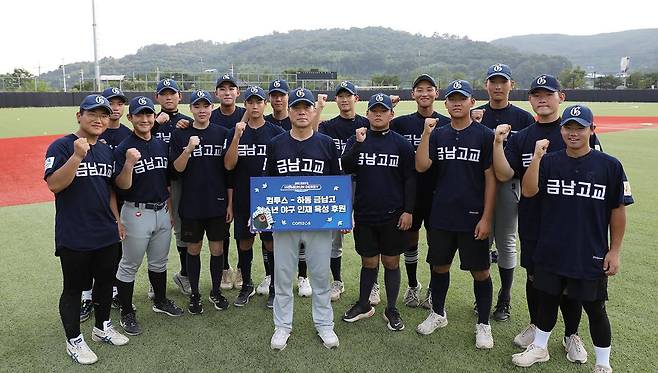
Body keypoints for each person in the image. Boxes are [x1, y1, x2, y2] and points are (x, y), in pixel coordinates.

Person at [512, 105, 633, 373]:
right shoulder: (550, 161)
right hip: (552, 245)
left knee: (595, 307)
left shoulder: (610, 166)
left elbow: (618, 210)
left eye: (580, 127)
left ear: (592, 129)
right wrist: (536, 156)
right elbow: (529, 191)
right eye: (568, 127)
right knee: (547, 298)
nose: (573, 133)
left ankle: (603, 363)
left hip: (589, 249)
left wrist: (615, 251)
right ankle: (540, 348)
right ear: (561, 130)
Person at [493, 74, 601, 362]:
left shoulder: (572, 131)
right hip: (535, 219)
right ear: (529, 100)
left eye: (548, 94)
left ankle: (571, 335)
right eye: (536, 94)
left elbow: (596, 171)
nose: (542, 99)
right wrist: (498, 143)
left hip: (571, 220)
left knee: (571, 278)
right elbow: (505, 174)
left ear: (560, 97)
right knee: (535, 276)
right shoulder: (524, 136)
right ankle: (537, 325)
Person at [44, 94, 129, 364]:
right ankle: (74, 341)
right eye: (93, 113)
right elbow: (54, 185)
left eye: (104, 115)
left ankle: (101, 327)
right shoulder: (61, 146)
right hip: (75, 232)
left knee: (105, 283)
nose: (99, 119)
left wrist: (117, 221)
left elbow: (111, 190)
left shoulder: (105, 149)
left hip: (105, 230)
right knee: (73, 289)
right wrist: (77, 156)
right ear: (79, 115)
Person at [415, 80, 496, 350]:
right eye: (452, 99)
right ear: (445, 103)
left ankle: (483, 323)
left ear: (472, 102)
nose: (457, 103)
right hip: (442, 213)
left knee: (480, 271)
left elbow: (491, 179)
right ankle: (438, 313)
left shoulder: (484, 135)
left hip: (473, 215)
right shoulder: (439, 134)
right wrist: (426, 134)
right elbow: (422, 165)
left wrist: (486, 217)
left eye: (462, 98)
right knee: (439, 266)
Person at [265, 88, 342, 350]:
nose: (300, 111)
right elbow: (266, 186)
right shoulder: (276, 144)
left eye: (306, 107)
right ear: (288, 111)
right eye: (296, 107)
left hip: (319, 220)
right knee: (283, 275)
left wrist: (343, 215)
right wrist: (262, 217)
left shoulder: (326, 143)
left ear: (313, 111)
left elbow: (336, 184)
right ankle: (282, 326)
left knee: (320, 275)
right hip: (285, 221)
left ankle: (324, 325)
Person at [340, 93, 416, 331]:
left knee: (392, 262)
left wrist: (409, 211)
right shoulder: (358, 140)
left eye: (383, 110)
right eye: (374, 110)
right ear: (367, 114)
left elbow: (410, 179)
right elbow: (346, 166)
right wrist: (359, 143)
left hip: (393, 214)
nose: (378, 114)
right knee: (368, 261)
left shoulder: (401, 143)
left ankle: (391, 308)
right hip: (365, 213)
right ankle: (364, 304)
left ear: (391, 115)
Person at [113, 96, 184, 336]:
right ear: (130, 118)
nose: (144, 119)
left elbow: (166, 182)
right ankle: (126, 311)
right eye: (139, 115)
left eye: (148, 115)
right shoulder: (124, 148)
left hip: (161, 211)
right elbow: (121, 186)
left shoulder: (160, 144)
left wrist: (170, 211)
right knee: (129, 265)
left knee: (159, 262)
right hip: (135, 211)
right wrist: (129, 164)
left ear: (154, 117)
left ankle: (160, 301)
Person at [473, 64, 535, 321]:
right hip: (479, 186)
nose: (497, 86)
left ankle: (505, 298)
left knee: (507, 240)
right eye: (493, 81)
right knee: (481, 241)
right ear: (486, 85)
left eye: (502, 81)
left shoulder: (523, 118)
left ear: (512, 84)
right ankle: (483, 298)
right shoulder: (476, 114)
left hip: (510, 185)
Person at [390, 74, 450, 309]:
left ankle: (434, 290)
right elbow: (376, 126)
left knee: (437, 244)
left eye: (429, 89)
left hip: (438, 192)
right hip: (409, 193)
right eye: (419, 89)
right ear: (412, 94)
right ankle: (413, 285)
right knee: (410, 239)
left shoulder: (446, 122)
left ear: (437, 93)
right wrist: (389, 104)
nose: (424, 93)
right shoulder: (402, 123)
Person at [170, 90, 233, 314]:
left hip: (216, 201)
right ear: (191, 110)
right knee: (193, 249)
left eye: (206, 106)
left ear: (212, 108)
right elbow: (176, 169)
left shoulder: (222, 133)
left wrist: (230, 204)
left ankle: (216, 291)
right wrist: (188, 149)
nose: (202, 110)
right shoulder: (180, 136)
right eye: (197, 106)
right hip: (192, 203)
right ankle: (195, 293)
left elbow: (228, 172)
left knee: (217, 248)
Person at [224, 86, 285, 308]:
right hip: (244, 197)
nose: (255, 106)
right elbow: (229, 165)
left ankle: (274, 287)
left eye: (259, 102)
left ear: (265, 104)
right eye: (251, 102)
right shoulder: (236, 131)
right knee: (245, 242)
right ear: (246, 105)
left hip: (269, 200)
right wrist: (237, 136)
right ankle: (247, 284)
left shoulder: (276, 133)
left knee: (270, 243)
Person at [80, 87, 132, 321]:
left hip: (120, 198)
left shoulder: (127, 133)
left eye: (119, 103)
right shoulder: (93, 135)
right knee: (87, 251)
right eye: (111, 103)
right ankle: (86, 294)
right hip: (95, 197)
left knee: (114, 250)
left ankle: (111, 291)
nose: (115, 107)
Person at [318, 81, 370, 302]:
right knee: (334, 238)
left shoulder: (367, 123)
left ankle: (373, 284)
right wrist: (318, 108)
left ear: (356, 99)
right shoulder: (328, 126)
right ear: (336, 99)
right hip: (337, 185)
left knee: (369, 235)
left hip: (366, 183)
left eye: (349, 95)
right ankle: (337, 281)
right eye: (340, 96)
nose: (344, 99)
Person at [152, 78, 193, 298]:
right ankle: (153, 278)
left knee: (181, 227)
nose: (168, 97)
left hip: (179, 181)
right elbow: (137, 139)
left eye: (172, 93)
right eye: (163, 93)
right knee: (153, 231)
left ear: (180, 96)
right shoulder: (149, 120)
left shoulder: (187, 121)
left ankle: (185, 274)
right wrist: (157, 123)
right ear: (156, 97)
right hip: (153, 180)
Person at [210, 73, 246, 291]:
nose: (227, 92)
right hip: (218, 178)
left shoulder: (246, 113)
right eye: (222, 89)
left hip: (242, 177)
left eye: (231, 88)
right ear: (217, 93)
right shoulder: (210, 116)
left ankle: (242, 268)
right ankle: (224, 268)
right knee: (221, 228)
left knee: (242, 228)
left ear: (237, 93)